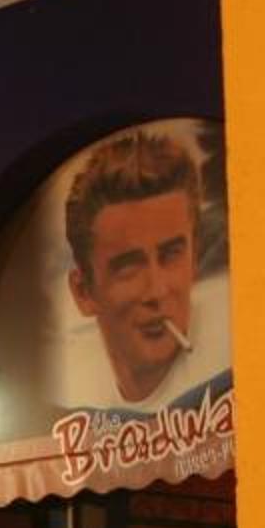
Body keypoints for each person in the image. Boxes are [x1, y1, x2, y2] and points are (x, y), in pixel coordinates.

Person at [62, 129, 212, 411]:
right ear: (83, 292)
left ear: (195, 258)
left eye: (171, 255)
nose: (156, 291)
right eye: (128, 267)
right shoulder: (70, 398)